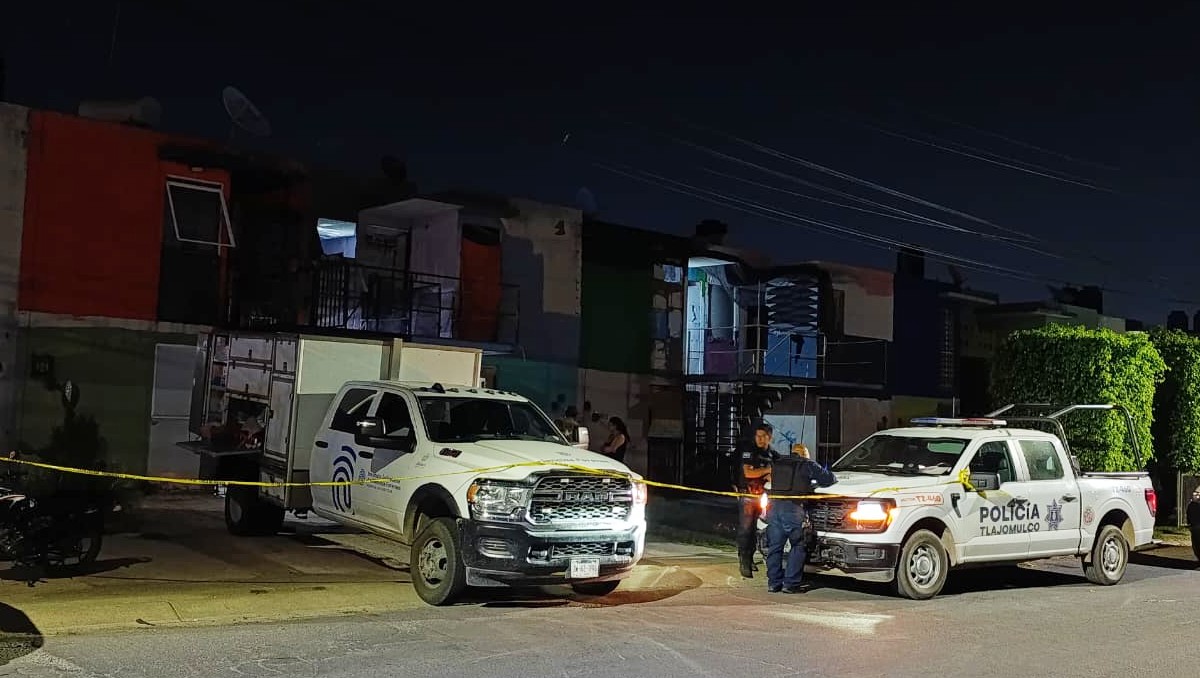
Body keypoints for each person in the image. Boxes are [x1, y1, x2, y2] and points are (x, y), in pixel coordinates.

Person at [764, 444, 836, 594]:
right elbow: (829, 479)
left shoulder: (777, 463)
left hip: (774, 509)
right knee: (799, 544)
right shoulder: (807, 464)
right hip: (793, 510)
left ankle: (773, 583)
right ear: (804, 454)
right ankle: (790, 584)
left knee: (774, 548)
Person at [732, 421, 777, 578]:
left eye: (763, 436)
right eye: (757, 436)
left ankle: (752, 558)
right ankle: (744, 561)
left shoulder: (773, 454)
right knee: (746, 529)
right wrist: (767, 470)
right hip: (748, 495)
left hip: (764, 496)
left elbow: (777, 473)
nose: (759, 439)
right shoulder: (749, 451)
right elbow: (748, 473)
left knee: (760, 530)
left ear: (769, 437)